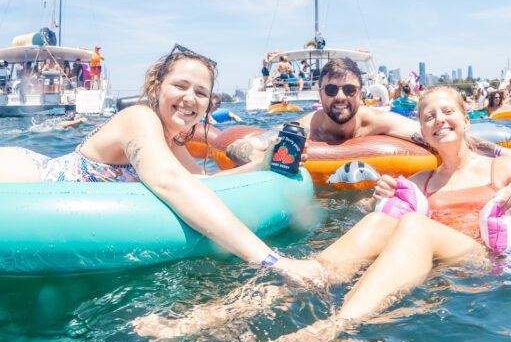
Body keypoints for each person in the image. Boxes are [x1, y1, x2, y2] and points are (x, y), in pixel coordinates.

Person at [160, 86, 511, 342]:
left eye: (448, 112)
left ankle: (314, 339)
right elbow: (389, 230)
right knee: (381, 219)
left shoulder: (500, 167)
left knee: (411, 223)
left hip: (479, 264)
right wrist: (378, 201)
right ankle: (222, 314)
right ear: (422, 130)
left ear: (466, 120)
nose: (439, 120)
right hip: (437, 267)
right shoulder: (423, 182)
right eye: (429, 116)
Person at [0, 45, 318, 281]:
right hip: (23, 177)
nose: (190, 98)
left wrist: (262, 165)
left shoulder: (171, 140)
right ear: (157, 88)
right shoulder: (139, 118)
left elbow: (202, 184)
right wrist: (269, 260)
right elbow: (171, 184)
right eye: (179, 86)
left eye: (201, 92)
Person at [225, 58, 511, 167]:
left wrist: (505, 155)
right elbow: (243, 145)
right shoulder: (307, 126)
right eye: (331, 90)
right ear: (319, 94)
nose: (340, 97)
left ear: (360, 94)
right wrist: (262, 162)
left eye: (349, 90)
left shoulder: (378, 121)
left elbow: (435, 137)